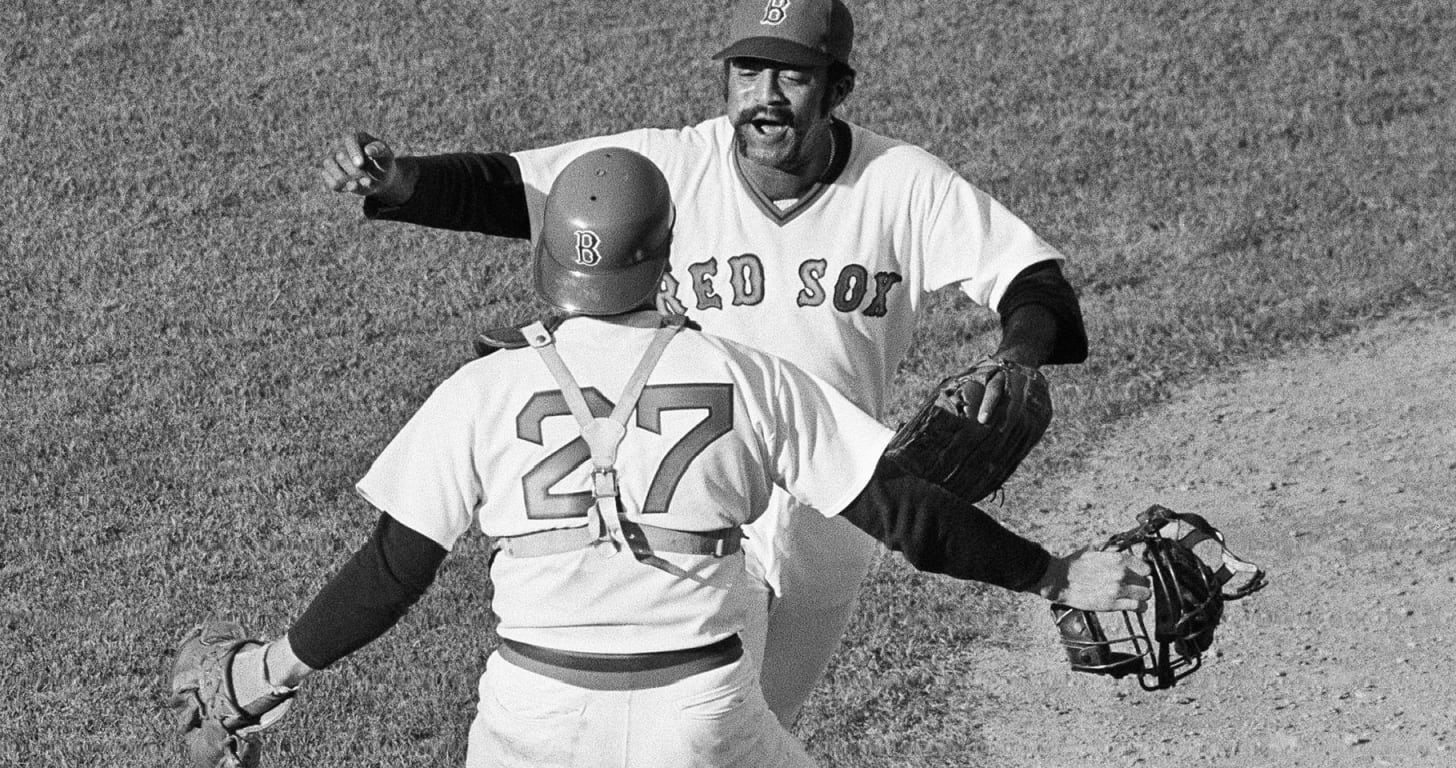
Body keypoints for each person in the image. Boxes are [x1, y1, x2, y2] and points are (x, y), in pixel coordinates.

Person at [214, 147, 1145, 768]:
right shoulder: (750, 377)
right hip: (701, 717)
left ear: (552, 259)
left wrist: (270, 671)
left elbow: (390, 571)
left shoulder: (482, 390)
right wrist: (1057, 574)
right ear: (667, 255)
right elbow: (909, 517)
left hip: (531, 721)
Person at [320, 0, 1090, 725]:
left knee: (747, 736)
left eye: (792, 76)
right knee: (694, 727)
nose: (766, 97)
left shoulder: (903, 184)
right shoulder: (668, 169)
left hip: (838, 516)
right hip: (702, 511)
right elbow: (511, 188)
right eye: (748, 73)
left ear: (838, 89)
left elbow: (1034, 280)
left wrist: (1016, 358)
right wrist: (402, 181)